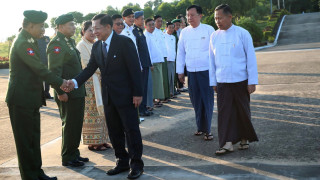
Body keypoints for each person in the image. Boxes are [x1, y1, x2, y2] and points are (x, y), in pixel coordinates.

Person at [66, 14, 144, 179]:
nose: (94, 32)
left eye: (97, 28)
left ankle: (136, 165)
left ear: (108, 27)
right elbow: (89, 69)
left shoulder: (124, 43)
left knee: (131, 131)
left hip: (126, 96)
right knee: (115, 132)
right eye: (92, 28)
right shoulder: (97, 47)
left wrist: (138, 93)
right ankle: (121, 162)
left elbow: (135, 69)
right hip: (108, 96)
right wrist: (74, 82)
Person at [6, 10, 68, 180]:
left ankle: (37, 173)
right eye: (41, 26)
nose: (43, 30)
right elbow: (39, 69)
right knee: (25, 142)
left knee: (33, 139)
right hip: (21, 99)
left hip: (29, 99)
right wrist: (60, 82)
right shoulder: (23, 43)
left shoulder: (30, 40)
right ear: (30, 25)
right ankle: (30, 176)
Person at [209, 4, 259, 155]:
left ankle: (244, 138)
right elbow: (211, 60)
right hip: (222, 81)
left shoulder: (242, 33)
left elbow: (251, 58)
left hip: (240, 80)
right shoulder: (214, 36)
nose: (217, 21)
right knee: (225, 113)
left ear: (230, 17)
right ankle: (227, 143)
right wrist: (213, 81)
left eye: (220, 18)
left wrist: (252, 80)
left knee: (242, 111)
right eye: (215, 18)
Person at [47, 13, 88, 167]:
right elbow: (53, 72)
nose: (74, 27)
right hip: (66, 93)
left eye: (73, 24)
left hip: (76, 91)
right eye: (70, 24)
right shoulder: (56, 44)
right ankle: (67, 156)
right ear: (60, 27)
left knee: (76, 124)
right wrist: (60, 91)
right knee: (69, 124)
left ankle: (74, 153)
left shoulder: (69, 42)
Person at [176, 5, 215, 140]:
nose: (189, 18)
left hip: (206, 71)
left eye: (192, 15)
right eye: (188, 15)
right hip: (191, 71)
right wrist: (180, 71)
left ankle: (208, 130)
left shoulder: (209, 30)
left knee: (207, 100)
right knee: (196, 101)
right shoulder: (184, 32)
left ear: (200, 15)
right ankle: (200, 127)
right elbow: (180, 52)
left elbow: (215, 52)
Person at [77, 21, 111, 151]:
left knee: (102, 112)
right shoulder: (81, 45)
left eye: (94, 30)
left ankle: (102, 140)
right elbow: (86, 64)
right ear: (83, 32)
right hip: (90, 83)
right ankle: (93, 142)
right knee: (92, 113)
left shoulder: (96, 45)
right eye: (89, 30)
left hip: (100, 81)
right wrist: (104, 69)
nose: (92, 33)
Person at [133, 11, 153, 116]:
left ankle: (144, 107)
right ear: (135, 20)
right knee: (141, 87)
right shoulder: (134, 31)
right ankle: (140, 109)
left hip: (145, 63)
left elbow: (145, 49)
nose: (142, 20)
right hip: (140, 64)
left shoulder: (140, 31)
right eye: (141, 18)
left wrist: (149, 63)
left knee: (145, 86)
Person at [144, 18, 165, 106]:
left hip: (158, 60)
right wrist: (150, 63)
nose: (152, 26)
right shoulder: (146, 36)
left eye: (153, 24)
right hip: (153, 63)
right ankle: (153, 100)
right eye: (150, 25)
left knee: (158, 82)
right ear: (145, 26)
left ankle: (156, 98)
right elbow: (147, 51)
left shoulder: (153, 34)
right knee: (154, 83)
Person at [154, 15, 170, 103]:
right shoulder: (154, 32)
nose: (160, 23)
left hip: (163, 56)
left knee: (164, 77)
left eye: (161, 21)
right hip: (158, 57)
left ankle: (165, 95)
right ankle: (160, 97)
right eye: (158, 21)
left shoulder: (161, 31)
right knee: (160, 78)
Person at [164, 22, 176, 98]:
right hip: (167, 59)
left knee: (172, 77)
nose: (171, 29)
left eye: (172, 27)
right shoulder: (163, 36)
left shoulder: (173, 37)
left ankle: (172, 92)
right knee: (168, 77)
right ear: (166, 28)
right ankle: (167, 93)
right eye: (170, 27)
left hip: (173, 59)